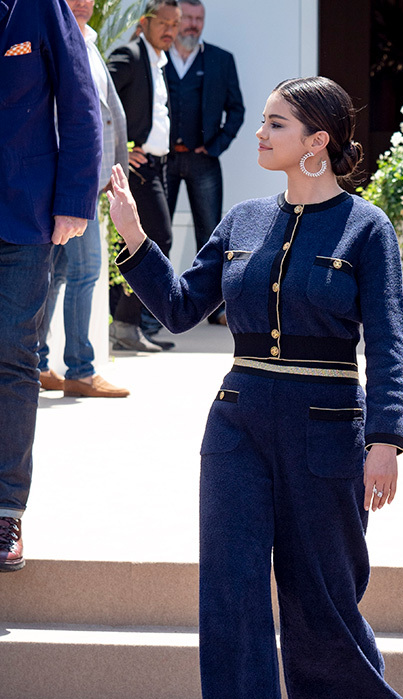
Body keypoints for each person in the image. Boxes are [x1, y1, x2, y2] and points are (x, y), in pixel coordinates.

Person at [107, 76, 403, 699]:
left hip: (327, 437)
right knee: (232, 609)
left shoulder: (365, 228)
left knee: (324, 606)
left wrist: (386, 441)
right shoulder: (244, 219)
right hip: (238, 428)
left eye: (276, 124)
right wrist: (135, 237)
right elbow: (181, 308)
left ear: (317, 140)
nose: (259, 134)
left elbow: (387, 342)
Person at [0, 0, 102, 572]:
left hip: (24, 216)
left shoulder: (41, 7)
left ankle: (5, 510)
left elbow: (80, 103)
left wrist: (73, 201)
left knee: (14, 357)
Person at [38, 0, 130, 399]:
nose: (81, 2)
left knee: (57, 276)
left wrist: (115, 171)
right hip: (71, 185)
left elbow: (106, 113)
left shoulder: (89, 40)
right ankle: (80, 369)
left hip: (88, 181)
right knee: (84, 273)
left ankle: (37, 363)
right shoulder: (56, 38)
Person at [107, 0, 181, 352]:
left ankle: (128, 324)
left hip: (158, 164)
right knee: (159, 238)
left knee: (150, 240)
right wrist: (121, 148)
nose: (170, 30)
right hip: (137, 167)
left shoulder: (159, 61)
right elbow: (97, 94)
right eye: (163, 22)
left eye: (175, 24)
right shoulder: (131, 54)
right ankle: (124, 321)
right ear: (145, 22)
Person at [165, 0, 244, 325]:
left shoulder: (221, 60)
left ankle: (216, 308)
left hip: (203, 161)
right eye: (188, 19)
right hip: (162, 160)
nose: (193, 25)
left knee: (211, 236)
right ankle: (149, 308)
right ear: (176, 20)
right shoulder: (157, 56)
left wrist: (215, 147)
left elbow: (236, 110)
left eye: (199, 19)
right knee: (156, 232)